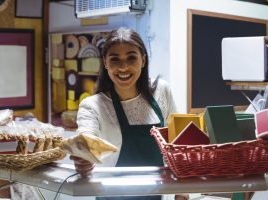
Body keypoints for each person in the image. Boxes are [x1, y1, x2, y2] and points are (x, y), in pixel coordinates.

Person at [71, 27, 188, 200]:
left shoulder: (162, 91)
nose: (123, 67)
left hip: (155, 196)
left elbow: (179, 143)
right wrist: (84, 158)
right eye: (115, 59)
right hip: (111, 196)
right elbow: (86, 138)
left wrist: (182, 191)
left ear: (143, 60)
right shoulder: (93, 105)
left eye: (131, 57)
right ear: (105, 62)